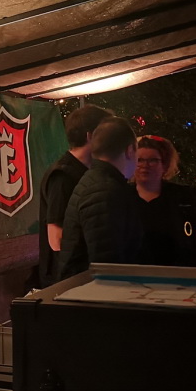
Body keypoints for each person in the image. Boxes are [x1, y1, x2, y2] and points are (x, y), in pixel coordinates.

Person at [37, 104, 112, 287]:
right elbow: (56, 240)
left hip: (84, 275)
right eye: (107, 134)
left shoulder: (88, 171)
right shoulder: (62, 176)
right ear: (90, 136)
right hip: (66, 279)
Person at [58, 117, 142, 280]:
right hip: (90, 291)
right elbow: (107, 265)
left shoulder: (97, 182)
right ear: (130, 150)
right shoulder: (105, 191)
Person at [132, 135, 196, 267]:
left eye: (152, 160)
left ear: (164, 165)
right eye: (139, 160)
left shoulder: (183, 197)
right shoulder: (122, 197)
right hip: (133, 277)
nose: (145, 166)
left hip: (180, 276)